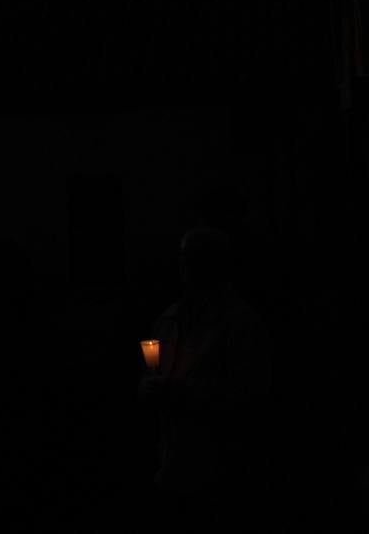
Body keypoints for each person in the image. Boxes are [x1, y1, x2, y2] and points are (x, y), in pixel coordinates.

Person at [139, 227, 268, 533]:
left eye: (196, 258)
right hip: (170, 467)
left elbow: (247, 395)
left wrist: (178, 393)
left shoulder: (240, 324)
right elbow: (151, 373)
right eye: (185, 258)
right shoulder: (169, 319)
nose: (186, 266)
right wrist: (145, 387)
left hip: (218, 476)